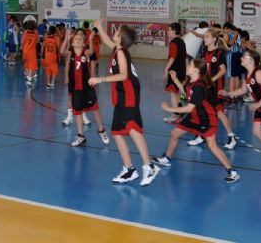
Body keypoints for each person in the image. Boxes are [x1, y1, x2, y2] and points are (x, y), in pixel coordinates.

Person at [88, 17, 159, 187]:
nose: (114, 33)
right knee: (118, 132)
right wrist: (99, 28)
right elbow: (106, 41)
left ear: (120, 37)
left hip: (128, 96)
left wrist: (101, 79)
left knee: (133, 130)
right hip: (122, 97)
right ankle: (129, 169)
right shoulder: (117, 49)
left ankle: (149, 166)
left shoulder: (120, 52)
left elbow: (124, 75)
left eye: (116, 32)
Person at [151, 60, 240, 184]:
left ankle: (232, 172)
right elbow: (185, 96)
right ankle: (167, 158)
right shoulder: (190, 81)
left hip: (206, 119)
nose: (187, 66)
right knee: (175, 134)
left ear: (196, 70)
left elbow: (189, 107)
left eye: (190, 65)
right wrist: (175, 80)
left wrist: (170, 108)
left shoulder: (200, 86)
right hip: (193, 117)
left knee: (212, 146)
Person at [188, 29, 237, 149]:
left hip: (216, 88)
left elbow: (223, 71)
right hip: (205, 87)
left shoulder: (219, 53)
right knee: (202, 111)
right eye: (204, 37)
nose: (205, 39)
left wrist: (211, 80)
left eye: (207, 37)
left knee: (219, 113)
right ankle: (201, 136)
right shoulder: (204, 52)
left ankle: (231, 137)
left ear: (214, 39)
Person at [61, 29, 109, 147]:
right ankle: (81, 136)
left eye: (80, 39)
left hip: (87, 88)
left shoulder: (86, 52)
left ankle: (102, 130)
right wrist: (66, 39)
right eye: (75, 39)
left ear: (83, 43)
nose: (77, 40)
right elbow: (62, 51)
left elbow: (92, 50)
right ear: (72, 43)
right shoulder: (70, 53)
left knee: (95, 109)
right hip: (75, 89)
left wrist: (91, 40)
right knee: (77, 112)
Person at [163, 22, 187, 122]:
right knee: (180, 91)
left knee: (173, 92)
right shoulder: (182, 41)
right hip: (182, 70)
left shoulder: (173, 42)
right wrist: (186, 70)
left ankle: (174, 115)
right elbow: (186, 58)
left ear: (173, 31)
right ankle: (182, 108)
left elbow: (172, 57)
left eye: (168, 30)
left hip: (174, 71)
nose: (167, 32)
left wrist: (166, 69)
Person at [42, 26, 60, 90]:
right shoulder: (56, 39)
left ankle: (48, 84)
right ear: (55, 31)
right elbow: (58, 48)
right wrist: (59, 57)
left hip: (47, 56)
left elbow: (43, 48)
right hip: (53, 57)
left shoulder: (46, 38)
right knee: (54, 71)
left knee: (48, 71)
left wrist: (42, 57)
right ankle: (52, 83)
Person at [22, 19, 39, 87]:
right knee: (31, 66)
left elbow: (22, 42)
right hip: (32, 51)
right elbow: (37, 42)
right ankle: (29, 81)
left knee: (27, 64)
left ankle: (27, 77)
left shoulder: (25, 32)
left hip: (25, 51)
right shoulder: (35, 34)